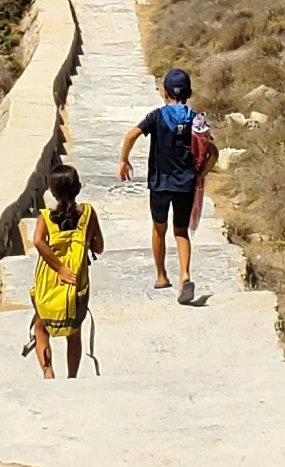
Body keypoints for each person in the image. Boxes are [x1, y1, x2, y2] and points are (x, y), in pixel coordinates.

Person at [116, 66, 215, 301]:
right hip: (185, 184)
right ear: (189, 93)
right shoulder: (195, 120)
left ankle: (161, 276)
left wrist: (124, 160)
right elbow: (213, 153)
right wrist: (201, 174)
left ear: (165, 92)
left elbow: (131, 135)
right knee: (181, 231)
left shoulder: (157, 116)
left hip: (160, 183)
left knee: (159, 228)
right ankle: (185, 276)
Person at [25, 170, 101, 376]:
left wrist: (59, 267)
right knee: (73, 332)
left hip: (49, 278)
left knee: (41, 327)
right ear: (78, 187)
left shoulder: (46, 217)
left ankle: (48, 373)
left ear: (52, 190)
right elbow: (99, 246)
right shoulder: (87, 213)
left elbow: (38, 241)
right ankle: (71, 376)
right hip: (76, 280)